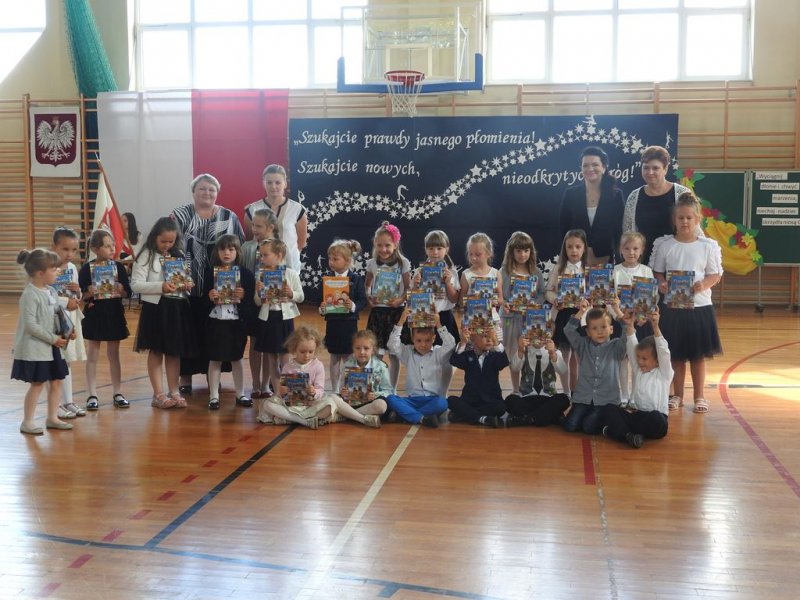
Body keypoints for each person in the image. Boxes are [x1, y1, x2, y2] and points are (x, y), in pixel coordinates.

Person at [171, 173, 245, 394]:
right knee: (188, 332)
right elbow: (171, 247)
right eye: (202, 188)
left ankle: (213, 378)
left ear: (217, 192)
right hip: (188, 285)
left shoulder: (229, 216)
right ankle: (185, 378)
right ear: (193, 191)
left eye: (211, 189)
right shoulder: (179, 215)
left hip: (220, 288)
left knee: (214, 334)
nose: (207, 193)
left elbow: (239, 247)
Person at [650, 192, 723, 413]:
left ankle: (699, 396)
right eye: (680, 218)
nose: (684, 222)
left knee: (698, 356)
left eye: (689, 218)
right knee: (676, 355)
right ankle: (677, 395)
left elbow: (715, 274)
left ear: (697, 219)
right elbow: (658, 272)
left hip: (700, 307)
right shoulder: (665, 245)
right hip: (673, 307)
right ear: (674, 220)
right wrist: (661, 284)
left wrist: (703, 285)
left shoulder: (707, 246)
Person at [131, 217, 198, 409]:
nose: (167, 245)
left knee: (174, 352)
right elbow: (135, 284)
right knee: (156, 351)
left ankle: (174, 391)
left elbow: (185, 277)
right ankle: (158, 394)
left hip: (177, 308)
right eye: (163, 241)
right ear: (155, 237)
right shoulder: (146, 255)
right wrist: (161, 286)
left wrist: (187, 284)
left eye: (171, 241)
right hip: (156, 308)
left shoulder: (178, 254)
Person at [12, 249, 73, 434]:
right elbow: (31, 325)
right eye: (53, 269)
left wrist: (68, 331)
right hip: (37, 347)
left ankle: (52, 418)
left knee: (57, 381)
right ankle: (28, 422)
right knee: (37, 383)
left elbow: (57, 315)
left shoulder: (51, 291)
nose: (57, 272)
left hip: (52, 346)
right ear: (40, 273)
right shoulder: (30, 295)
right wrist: (53, 339)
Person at [601, 309, 672, 449]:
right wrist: (629, 325)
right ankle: (630, 436)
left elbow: (663, 351)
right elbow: (632, 345)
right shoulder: (638, 370)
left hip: (656, 420)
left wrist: (655, 326)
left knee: (657, 418)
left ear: (657, 361)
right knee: (609, 409)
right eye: (638, 358)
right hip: (637, 416)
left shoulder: (664, 373)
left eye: (644, 359)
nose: (639, 361)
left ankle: (620, 433)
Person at [79, 229, 132, 410]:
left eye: (113, 245)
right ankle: (92, 394)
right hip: (95, 314)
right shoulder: (86, 269)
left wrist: (121, 289)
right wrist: (89, 292)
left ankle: (117, 392)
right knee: (92, 354)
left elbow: (128, 293)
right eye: (107, 246)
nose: (112, 249)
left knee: (114, 355)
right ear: (95, 249)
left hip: (114, 313)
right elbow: (81, 296)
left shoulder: (118, 267)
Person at [203, 234, 256, 410]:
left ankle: (240, 393)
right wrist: (210, 296)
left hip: (236, 322)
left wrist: (244, 295)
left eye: (231, 249)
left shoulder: (245, 274)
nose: (227, 253)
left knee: (237, 358)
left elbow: (252, 300)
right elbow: (204, 299)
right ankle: (213, 396)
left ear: (237, 252)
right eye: (223, 249)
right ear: (217, 252)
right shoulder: (210, 273)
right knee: (214, 358)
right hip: (216, 321)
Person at [253, 238, 303, 418]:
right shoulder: (261, 275)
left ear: (279, 255)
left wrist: (291, 293)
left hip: (284, 320)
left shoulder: (290, 274)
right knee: (271, 359)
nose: (262, 258)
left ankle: (290, 392)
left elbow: (301, 296)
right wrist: (260, 292)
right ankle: (277, 394)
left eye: (265, 255)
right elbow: (257, 302)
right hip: (268, 319)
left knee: (285, 360)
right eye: (261, 255)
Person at [562, 299, 627, 434]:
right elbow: (568, 330)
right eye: (594, 328)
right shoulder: (583, 345)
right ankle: (587, 417)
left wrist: (617, 310)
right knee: (570, 425)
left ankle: (606, 422)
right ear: (587, 331)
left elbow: (628, 331)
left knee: (589, 426)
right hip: (583, 398)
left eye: (603, 327)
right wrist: (581, 312)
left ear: (611, 329)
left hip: (606, 401)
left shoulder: (617, 347)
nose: (599, 332)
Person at [410, 230, 461, 396]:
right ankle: (425, 391)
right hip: (423, 318)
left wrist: (448, 283)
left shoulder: (451, 271)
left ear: (447, 249)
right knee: (425, 355)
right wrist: (415, 285)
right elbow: (412, 298)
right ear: (426, 249)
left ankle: (443, 394)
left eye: (439, 248)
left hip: (444, 317)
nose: (435, 252)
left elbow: (454, 299)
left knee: (446, 359)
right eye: (431, 248)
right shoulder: (419, 270)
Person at [386, 307, 455, 427]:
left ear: (434, 339)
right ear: (412, 339)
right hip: (412, 400)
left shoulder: (438, 352)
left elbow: (450, 345)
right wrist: (401, 321)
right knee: (391, 399)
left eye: (427, 340)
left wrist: (438, 324)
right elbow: (392, 345)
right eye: (418, 341)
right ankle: (422, 418)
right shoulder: (407, 353)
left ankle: (406, 416)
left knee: (442, 403)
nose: (423, 344)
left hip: (432, 399)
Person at [622, 145, 691, 264]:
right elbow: (628, 234)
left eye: (655, 168)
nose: (650, 172)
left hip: (675, 261)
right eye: (646, 168)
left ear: (665, 169)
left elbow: (693, 229)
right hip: (643, 263)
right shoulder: (634, 197)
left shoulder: (682, 194)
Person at [259, 326, 337, 429]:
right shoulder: (288, 366)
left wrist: (313, 392)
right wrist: (282, 391)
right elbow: (282, 391)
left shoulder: (318, 366)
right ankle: (304, 421)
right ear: (294, 349)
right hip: (292, 406)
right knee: (267, 404)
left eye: (311, 352)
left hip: (311, 404)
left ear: (316, 349)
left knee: (330, 404)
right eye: (302, 352)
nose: (306, 355)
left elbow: (320, 390)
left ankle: (291, 418)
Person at [365, 221, 412, 392]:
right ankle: (377, 388)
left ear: (395, 244)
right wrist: (369, 298)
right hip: (378, 313)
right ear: (375, 244)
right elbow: (367, 284)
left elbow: (409, 288)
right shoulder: (372, 263)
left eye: (387, 245)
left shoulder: (403, 263)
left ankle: (392, 390)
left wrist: (400, 300)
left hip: (396, 313)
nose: (383, 249)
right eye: (379, 245)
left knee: (394, 355)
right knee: (377, 354)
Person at [560, 146, 625, 265]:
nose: (590, 169)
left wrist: (620, 260)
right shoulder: (570, 194)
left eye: (595, 165)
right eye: (585, 165)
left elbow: (619, 231)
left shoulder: (616, 196)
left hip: (604, 259)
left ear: (604, 168)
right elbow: (564, 228)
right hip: (575, 260)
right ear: (581, 169)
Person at [613, 231, 655, 404]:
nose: (631, 252)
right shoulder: (615, 271)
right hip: (620, 322)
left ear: (642, 250)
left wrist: (644, 315)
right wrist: (619, 315)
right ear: (621, 250)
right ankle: (623, 395)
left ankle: (636, 395)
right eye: (627, 248)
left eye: (635, 248)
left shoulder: (646, 271)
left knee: (639, 358)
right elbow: (610, 299)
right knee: (622, 359)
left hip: (640, 323)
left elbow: (652, 296)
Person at [500, 231, 544, 394]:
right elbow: (498, 295)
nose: (522, 254)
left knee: (529, 352)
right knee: (513, 354)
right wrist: (504, 303)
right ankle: (515, 389)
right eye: (518, 251)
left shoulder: (536, 272)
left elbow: (542, 293)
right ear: (511, 252)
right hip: (509, 319)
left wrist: (534, 304)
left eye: (526, 250)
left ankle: (528, 387)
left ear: (531, 251)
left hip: (530, 320)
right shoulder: (504, 271)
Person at [241, 208, 279, 398]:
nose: (254, 229)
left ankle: (266, 385)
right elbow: (243, 272)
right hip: (253, 302)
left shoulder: (280, 247)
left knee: (269, 345)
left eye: (258, 226)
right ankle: (255, 383)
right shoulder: (247, 247)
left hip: (273, 304)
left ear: (270, 227)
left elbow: (289, 272)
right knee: (255, 343)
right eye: (253, 225)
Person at [545, 229, 588, 395]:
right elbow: (549, 291)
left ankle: (579, 391)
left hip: (582, 318)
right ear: (565, 248)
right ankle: (566, 392)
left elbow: (594, 294)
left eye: (578, 246)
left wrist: (588, 300)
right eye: (570, 247)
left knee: (580, 357)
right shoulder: (559, 268)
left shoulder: (588, 270)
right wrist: (555, 299)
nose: (574, 250)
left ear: (584, 248)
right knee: (564, 356)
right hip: (563, 315)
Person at [50, 227, 87, 419]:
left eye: (73, 250)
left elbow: (76, 295)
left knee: (67, 361)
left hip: (69, 320)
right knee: (54, 363)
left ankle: (68, 401)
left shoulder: (72, 268)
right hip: (52, 321)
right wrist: (66, 302)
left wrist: (78, 292)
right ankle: (55, 405)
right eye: (65, 249)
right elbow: (45, 297)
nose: (69, 254)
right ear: (54, 247)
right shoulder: (47, 268)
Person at [321, 239, 367, 392]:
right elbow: (319, 301)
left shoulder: (356, 279)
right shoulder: (326, 279)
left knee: (348, 358)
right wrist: (322, 308)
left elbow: (363, 300)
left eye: (335, 259)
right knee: (334, 357)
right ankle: (335, 389)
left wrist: (353, 306)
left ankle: (346, 389)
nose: (331, 262)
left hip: (349, 324)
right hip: (333, 324)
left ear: (347, 261)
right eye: (330, 258)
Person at [243, 164, 308, 273]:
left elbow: (300, 244)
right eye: (269, 182)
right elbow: (250, 240)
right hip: (260, 268)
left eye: (278, 182)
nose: (273, 186)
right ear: (263, 184)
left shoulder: (297, 209)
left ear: (285, 183)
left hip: (289, 267)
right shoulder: (252, 210)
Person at [447, 325, 508, 428]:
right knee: (450, 400)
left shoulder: (494, 355)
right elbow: (455, 361)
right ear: (473, 338)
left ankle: (466, 415)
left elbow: (503, 363)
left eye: (491, 337)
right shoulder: (468, 355)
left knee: (501, 407)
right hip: (470, 400)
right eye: (485, 336)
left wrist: (496, 342)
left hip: (491, 400)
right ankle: (483, 418)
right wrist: (463, 342)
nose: (489, 340)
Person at [505, 335, 570, 427]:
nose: (539, 337)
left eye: (542, 334)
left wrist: (552, 353)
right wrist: (520, 350)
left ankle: (527, 419)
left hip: (548, 397)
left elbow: (562, 370)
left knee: (564, 399)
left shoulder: (555, 351)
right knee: (510, 400)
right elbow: (514, 368)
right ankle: (548, 417)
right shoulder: (524, 350)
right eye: (535, 333)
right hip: (527, 397)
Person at [334, 330, 390, 426]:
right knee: (332, 397)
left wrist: (375, 395)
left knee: (381, 405)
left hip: (369, 405)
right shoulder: (347, 365)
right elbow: (342, 387)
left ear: (373, 350)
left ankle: (345, 416)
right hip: (350, 404)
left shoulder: (381, 367)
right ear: (353, 349)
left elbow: (389, 391)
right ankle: (361, 418)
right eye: (358, 348)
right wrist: (343, 392)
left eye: (366, 348)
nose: (362, 352)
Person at [459, 232, 504, 341]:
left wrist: (492, 301)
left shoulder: (495, 273)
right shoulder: (466, 274)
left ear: (488, 253)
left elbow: (501, 300)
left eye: (478, 254)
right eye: (470, 254)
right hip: (472, 320)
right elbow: (460, 301)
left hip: (492, 319)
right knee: (473, 347)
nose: (473, 258)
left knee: (495, 347)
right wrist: (473, 300)